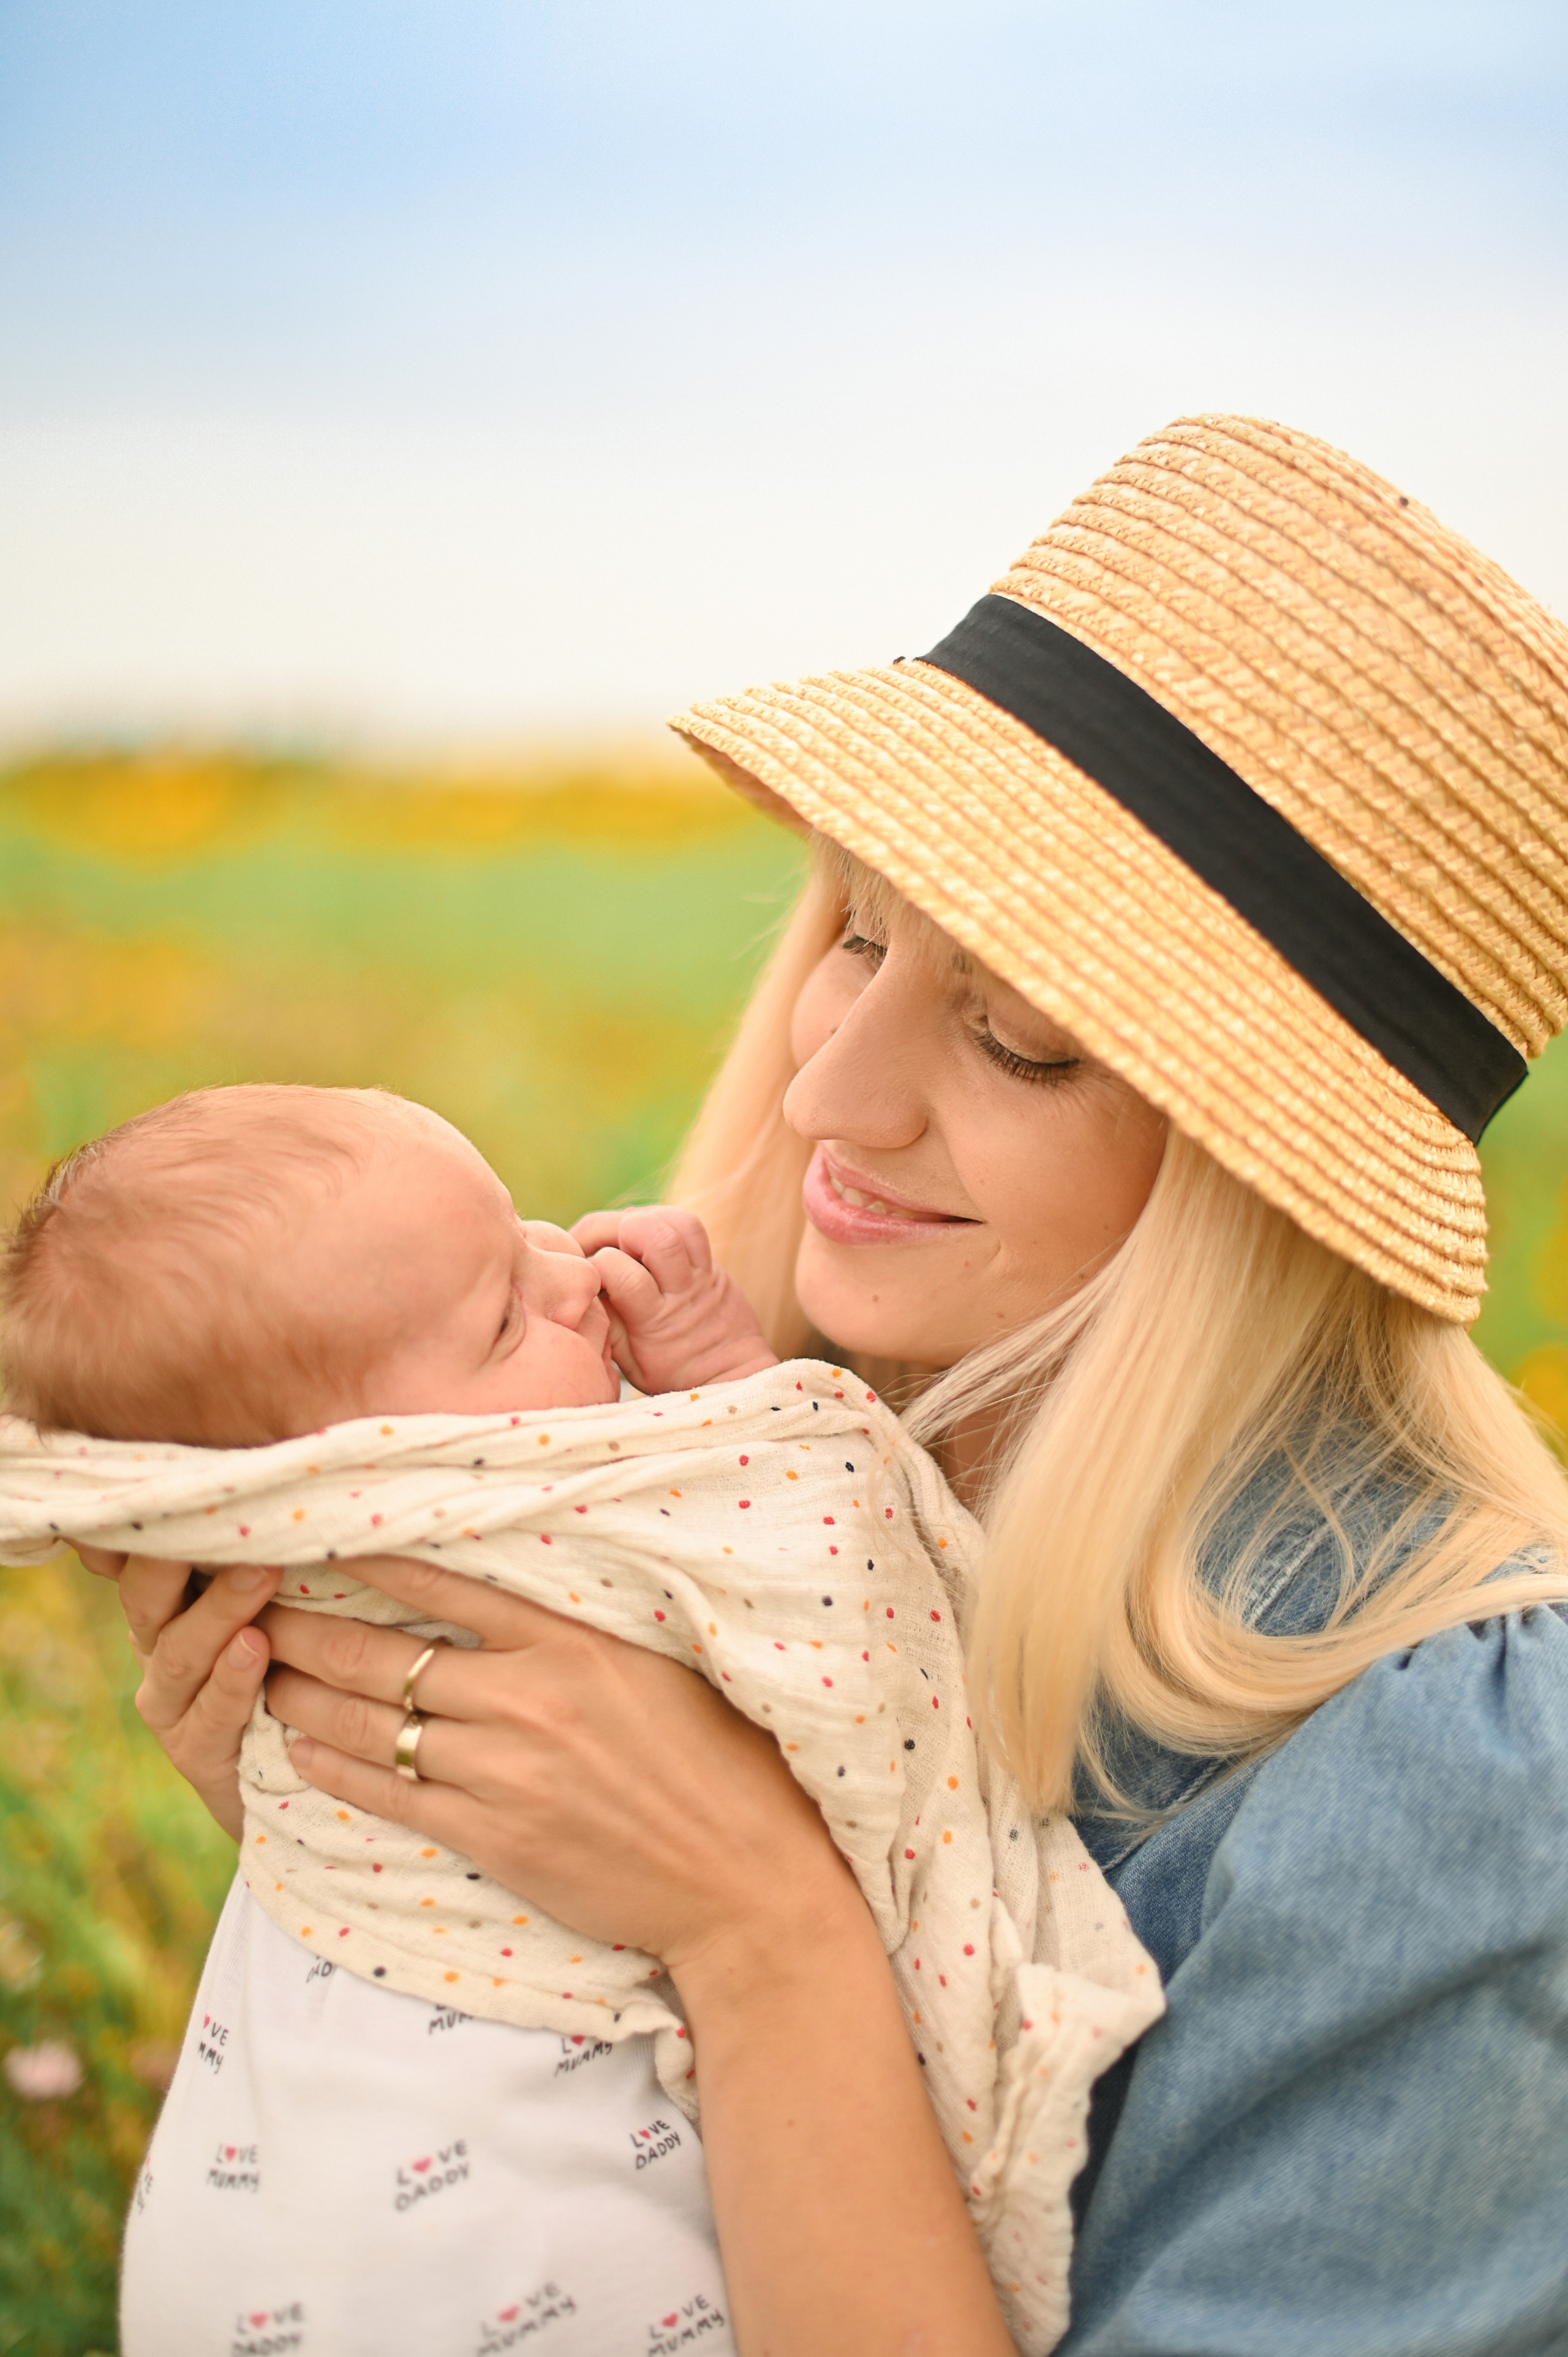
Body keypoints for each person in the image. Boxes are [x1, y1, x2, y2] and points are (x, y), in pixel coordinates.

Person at [85, 414, 1568, 2356]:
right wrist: (389, 1838)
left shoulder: (1461, 1797)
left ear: (1262, 1187)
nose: (825, 1093)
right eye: (854, 932)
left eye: (1022, 1037)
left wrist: (761, 1933)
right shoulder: (738, 1429)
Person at [5, 1083, 1151, 2355]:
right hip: (512, 2226)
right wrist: (731, 1383)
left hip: (262, 2210)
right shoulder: (546, 1519)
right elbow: (848, 1593)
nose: (574, 1275)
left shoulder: (337, 1541)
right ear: (343, 1474)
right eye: (503, 1316)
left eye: (522, 1229)